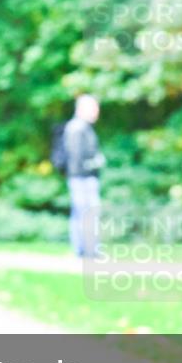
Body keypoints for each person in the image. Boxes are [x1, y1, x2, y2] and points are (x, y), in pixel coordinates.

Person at [63, 94, 105, 258]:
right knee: (86, 212)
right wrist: (95, 163)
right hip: (81, 178)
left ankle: (86, 249)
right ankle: (86, 250)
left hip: (85, 177)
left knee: (83, 213)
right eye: (94, 108)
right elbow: (76, 156)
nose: (96, 112)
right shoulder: (76, 128)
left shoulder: (84, 128)